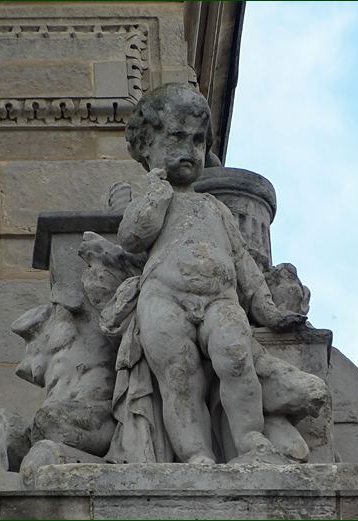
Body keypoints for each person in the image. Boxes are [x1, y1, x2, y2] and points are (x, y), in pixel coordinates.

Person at [118, 83, 306, 463]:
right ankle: (196, 455)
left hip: (220, 298)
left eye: (198, 140)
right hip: (163, 298)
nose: (189, 151)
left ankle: (251, 438)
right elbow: (133, 238)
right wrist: (155, 195)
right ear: (146, 145)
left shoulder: (213, 207)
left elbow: (244, 264)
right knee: (179, 376)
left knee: (236, 357)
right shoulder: (154, 200)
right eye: (176, 137)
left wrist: (268, 309)